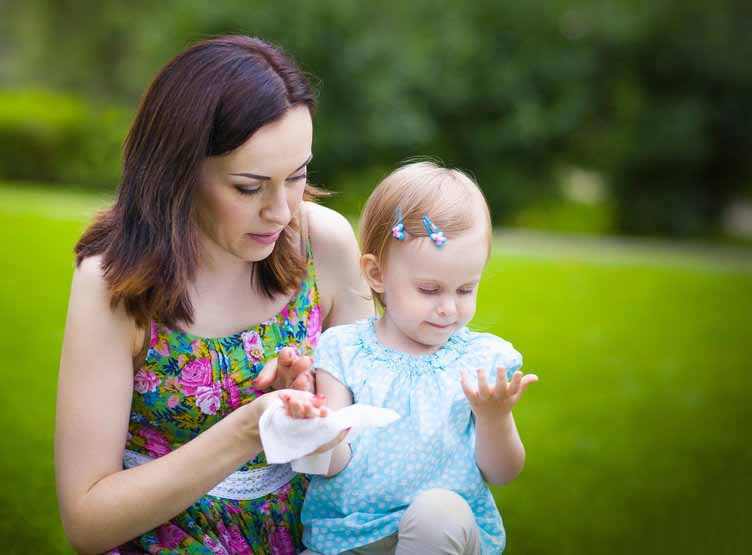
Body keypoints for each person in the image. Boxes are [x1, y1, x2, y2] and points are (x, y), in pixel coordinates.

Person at [55, 35, 372, 554]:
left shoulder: (325, 245)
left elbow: (371, 440)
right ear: (177, 171)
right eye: (249, 187)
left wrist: (317, 406)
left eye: (298, 176)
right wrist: (249, 429)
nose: (282, 211)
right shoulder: (115, 279)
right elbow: (88, 522)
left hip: (316, 535)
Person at [280, 161, 539, 554]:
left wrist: (495, 417)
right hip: (350, 538)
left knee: (437, 512)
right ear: (376, 273)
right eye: (430, 289)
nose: (449, 308)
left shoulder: (479, 361)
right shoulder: (344, 350)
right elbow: (333, 464)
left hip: (440, 537)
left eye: (466, 289)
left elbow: (502, 473)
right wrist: (314, 430)